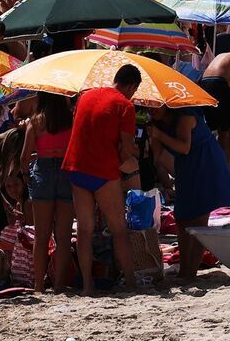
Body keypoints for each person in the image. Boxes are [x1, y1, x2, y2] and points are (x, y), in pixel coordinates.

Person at [62, 64, 143, 295]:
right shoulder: (125, 105)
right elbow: (126, 150)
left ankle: (87, 285)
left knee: (84, 231)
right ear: (132, 86)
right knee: (119, 229)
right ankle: (129, 282)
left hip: (76, 166)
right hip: (103, 170)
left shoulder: (86, 96)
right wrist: (133, 155)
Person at [148, 106, 230, 281]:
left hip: (206, 163)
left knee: (199, 219)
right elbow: (158, 156)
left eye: (156, 105)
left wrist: (159, 135)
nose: (152, 109)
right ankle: (185, 270)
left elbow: (184, 147)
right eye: (149, 106)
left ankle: (190, 272)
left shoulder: (185, 116)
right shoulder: (157, 124)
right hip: (187, 166)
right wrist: (153, 138)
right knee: (182, 218)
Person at [20, 92, 74, 293]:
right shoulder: (71, 120)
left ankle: (39, 285)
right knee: (63, 234)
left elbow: (24, 157)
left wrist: (26, 177)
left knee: (41, 235)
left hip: (42, 171)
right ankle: (59, 283)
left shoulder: (35, 122)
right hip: (66, 172)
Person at [197, 50, 230, 172]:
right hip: (218, 83)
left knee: (223, 131)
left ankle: (217, 168)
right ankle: (227, 171)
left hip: (205, 84)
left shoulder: (227, 60)